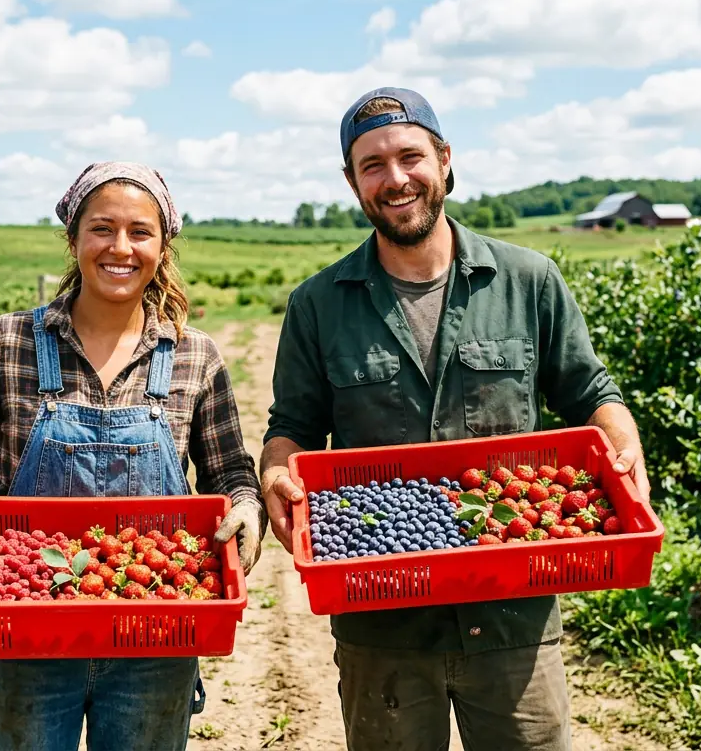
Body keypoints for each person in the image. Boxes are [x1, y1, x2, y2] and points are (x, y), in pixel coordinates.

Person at [258, 87, 652, 751]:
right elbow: (292, 425)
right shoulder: (318, 304)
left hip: (511, 615)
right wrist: (277, 474)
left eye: (410, 156)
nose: (395, 178)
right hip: (380, 614)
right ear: (352, 182)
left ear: (444, 160)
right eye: (372, 164)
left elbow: (590, 393)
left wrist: (621, 444)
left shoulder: (528, 281)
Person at [0, 161, 267, 751]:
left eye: (140, 232)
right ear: (74, 238)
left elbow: (231, 471)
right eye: (102, 229)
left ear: (162, 246)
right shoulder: (10, 342)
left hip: (153, 634)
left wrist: (246, 508)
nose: (120, 248)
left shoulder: (193, 357)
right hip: (24, 633)